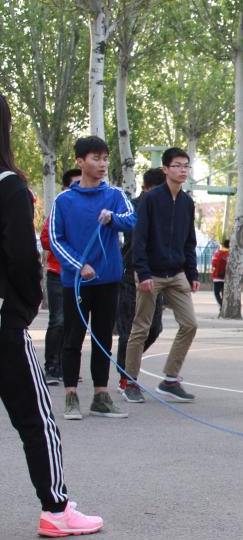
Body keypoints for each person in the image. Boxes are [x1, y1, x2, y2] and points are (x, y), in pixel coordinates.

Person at [0, 92, 103, 537]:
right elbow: (23, 257)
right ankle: (56, 509)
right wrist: (26, 305)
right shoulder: (9, 186)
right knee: (35, 418)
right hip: (4, 321)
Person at [49, 136, 137, 420]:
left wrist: (113, 218)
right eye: (96, 158)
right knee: (72, 338)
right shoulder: (64, 200)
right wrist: (79, 265)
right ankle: (71, 396)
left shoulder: (114, 195)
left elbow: (132, 220)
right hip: (76, 283)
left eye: (105, 159)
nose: (102, 164)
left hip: (108, 281)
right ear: (80, 161)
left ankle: (101, 396)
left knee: (103, 338)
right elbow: (55, 238)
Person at [122, 148, 200, 403]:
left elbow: (189, 241)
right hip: (151, 274)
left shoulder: (187, 203)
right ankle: (130, 382)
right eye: (177, 165)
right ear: (165, 169)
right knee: (141, 328)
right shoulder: (151, 199)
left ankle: (170, 379)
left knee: (190, 324)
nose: (183, 170)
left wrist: (192, 273)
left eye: (186, 165)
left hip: (176, 273)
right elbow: (140, 238)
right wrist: (142, 272)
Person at [115, 168, 166, 399]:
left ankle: (128, 365)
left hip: (158, 275)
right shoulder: (134, 207)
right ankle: (126, 379)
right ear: (146, 189)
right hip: (132, 274)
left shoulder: (169, 207)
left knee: (154, 328)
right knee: (131, 329)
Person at [39, 168, 81, 385]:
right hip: (59, 272)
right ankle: (52, 366)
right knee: (58, 320)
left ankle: (67, 366)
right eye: (76, 184)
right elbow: (46, 239)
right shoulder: (59, 208)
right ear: (65, 188)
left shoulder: (90, 209)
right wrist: (68, 247)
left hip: (81, 276)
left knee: (75, 322)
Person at [211, 238, 229, 308]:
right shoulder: (230, 254)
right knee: (224, 293)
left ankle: (221, 306)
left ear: (223, 245)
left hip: (217, 277)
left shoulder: (218, 253)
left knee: (216, 293)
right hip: (226, 277)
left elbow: (213, 264)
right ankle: (224, 306)